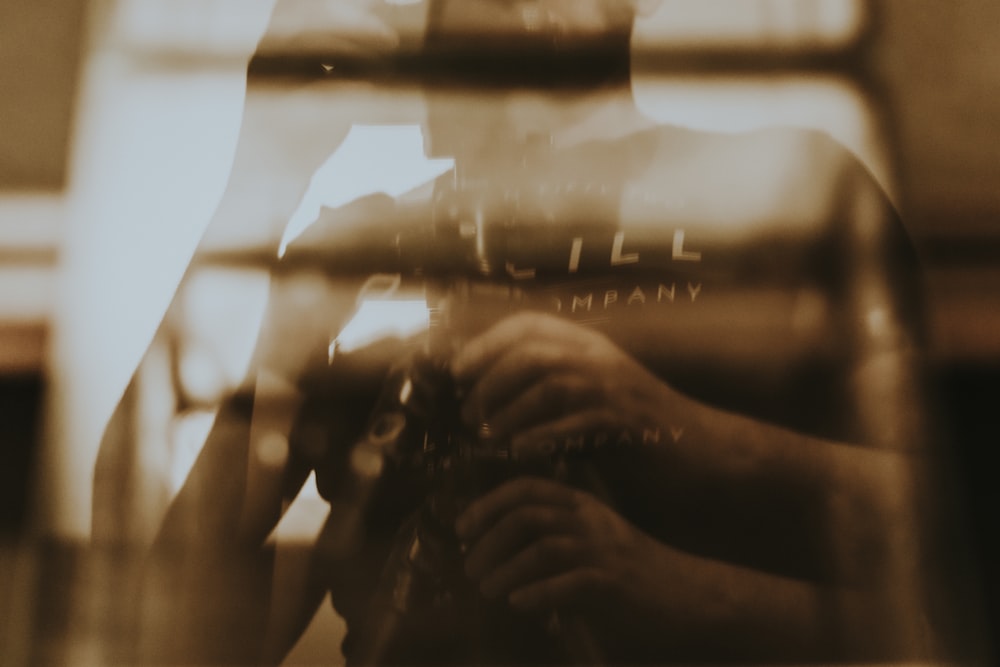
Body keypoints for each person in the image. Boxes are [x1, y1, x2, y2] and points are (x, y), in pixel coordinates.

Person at [96, 1, 943, 664]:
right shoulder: (358, 253)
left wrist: (678, 566)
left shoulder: (788, 186)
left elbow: (945, 572)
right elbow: (144, 632)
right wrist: (261, 177)